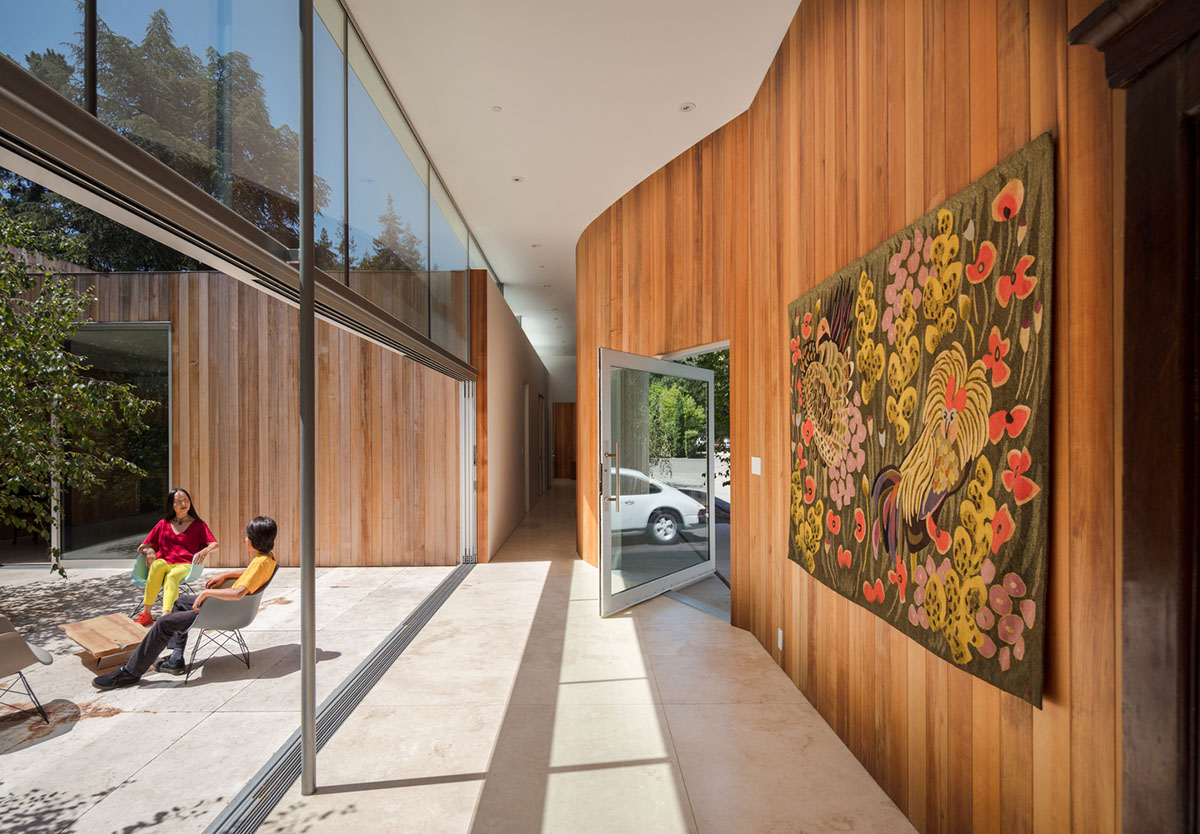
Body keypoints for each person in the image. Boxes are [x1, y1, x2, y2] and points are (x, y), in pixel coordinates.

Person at [93, 516, 277, 689]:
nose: (245, 539)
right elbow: (251, 573)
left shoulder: (259, 563)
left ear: (255, 539)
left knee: (164, 623)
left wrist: (206, 593)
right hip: (225, 607)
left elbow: (237, 593)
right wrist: (226, 574)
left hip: (225, 610)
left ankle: (130, 672)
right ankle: (176, 658)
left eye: (247, 536)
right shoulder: (267, 558)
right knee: (180, 601)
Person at [132, 488, 218, 626]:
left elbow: (214, 544)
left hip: (185, 564)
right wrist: (148, 551)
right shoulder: (163, 524)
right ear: (171, 505)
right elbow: (141, 546)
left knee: (172, 576)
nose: (184, 503)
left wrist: (205, 551)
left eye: (186, 500)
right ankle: (146, 613)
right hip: (165, 562)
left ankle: (166, 616)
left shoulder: (198, 524)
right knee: (157, 565)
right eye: (178, 501)